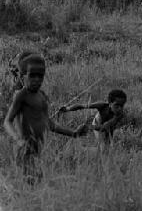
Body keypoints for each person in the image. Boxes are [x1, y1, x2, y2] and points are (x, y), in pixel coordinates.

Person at [3, 54, 84, 183]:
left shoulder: (42, 96)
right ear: (23, 76)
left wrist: (73, 133)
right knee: (29, 182)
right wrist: (18, 139)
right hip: (24, 149)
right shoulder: (21, 95)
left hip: (39, 148)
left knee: (38, 182)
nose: (37, 80)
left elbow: (49, 123)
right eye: (32, 75)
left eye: (40, 76)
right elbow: (7, 121)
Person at [58, 89, 127, 151]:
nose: (120, 109)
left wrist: (87, 126)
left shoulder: (120, 115)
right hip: (98, 122)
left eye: (122, 106)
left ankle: (80, 149)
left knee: (106, 149)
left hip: (107, 126)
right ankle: (77, 149)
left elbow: (104, 128)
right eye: (117, 106)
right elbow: (81, 106)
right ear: (110, 103)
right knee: (103, 150)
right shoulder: (102, 106)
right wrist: (67, 109)